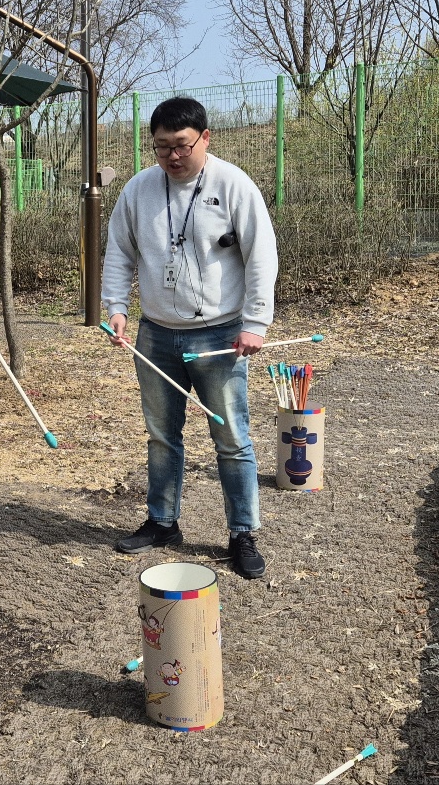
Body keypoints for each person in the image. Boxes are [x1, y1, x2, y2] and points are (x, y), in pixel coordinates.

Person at [101, 96, 279, 580]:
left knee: (232, 437)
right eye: (162, 148)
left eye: (181, 146)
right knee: (162, 436)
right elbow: (118, 252)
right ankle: (162, 521)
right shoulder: (138, 190)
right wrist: (116, 308)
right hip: (156, 335)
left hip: (220, 334)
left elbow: (262, 255)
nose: (173, 157)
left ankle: (242, 532)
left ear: (205, 138)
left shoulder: (234, 184)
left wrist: (255, 324)